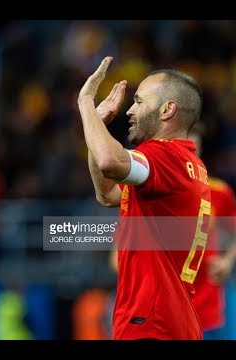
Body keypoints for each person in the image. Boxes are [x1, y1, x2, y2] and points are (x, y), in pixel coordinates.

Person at [78, 56, 210, 340]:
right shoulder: (189, 166)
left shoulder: (165, 156)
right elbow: (107, 194)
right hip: (174, 320)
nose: (129, 110)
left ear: (167, 109)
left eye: (138, 101)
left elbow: (109, 161)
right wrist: (97, 126)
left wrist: (86, 104)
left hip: (151, 322)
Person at [188, 124, 236, 340]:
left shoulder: (219, 191)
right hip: (168, 302)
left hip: (209, 301)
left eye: (193, 150)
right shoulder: (153, 191)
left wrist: (228, 261)